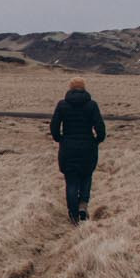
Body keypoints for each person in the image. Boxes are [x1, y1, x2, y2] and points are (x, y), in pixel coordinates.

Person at [49, 76, 106, 223]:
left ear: (70, 88)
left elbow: (54, 127)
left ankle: (73, 214)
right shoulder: (92, 105)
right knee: (86, 176)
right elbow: (100, 127)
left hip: (68, 148)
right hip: (88, 147)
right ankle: (83, 206)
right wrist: (96, 140)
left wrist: (60, 139)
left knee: (72, 180)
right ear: (84, 87)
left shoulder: (62, 105)